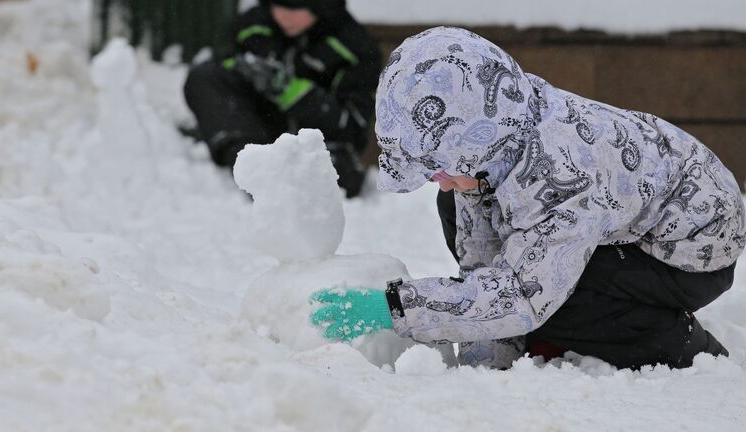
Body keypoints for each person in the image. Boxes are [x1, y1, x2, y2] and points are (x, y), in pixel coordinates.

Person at [310, 27, 745, 370]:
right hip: (616, 220)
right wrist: (489, 362)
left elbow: (523, 293)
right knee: (459, 205)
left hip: (690, 250)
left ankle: (681, 345)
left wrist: (399, 309)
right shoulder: (497, 125)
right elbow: (485, 256)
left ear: (471, 144)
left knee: (560, 301)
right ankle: (579, 326)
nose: (439, 181)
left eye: (440, 169)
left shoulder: (561, 177)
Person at [183, 0, 381, 197]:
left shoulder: (356, 47)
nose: (284, 15)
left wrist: (291, 91)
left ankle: (284, 182)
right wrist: (245, 67)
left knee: (334, 176)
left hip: (319, 145)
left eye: (294, 7)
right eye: (278, 5)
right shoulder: (254, 24)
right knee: (205, 76)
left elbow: (352, 126)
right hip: (260, 133)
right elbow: (223, 66)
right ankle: (250, 165)